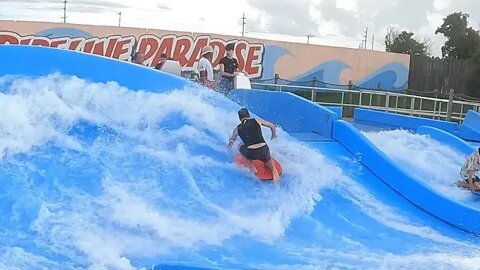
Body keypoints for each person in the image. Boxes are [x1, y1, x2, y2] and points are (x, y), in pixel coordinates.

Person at [228, 108, 280, 183]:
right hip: (264, 150)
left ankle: (252, 166)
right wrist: (273, 135)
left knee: (240, 145)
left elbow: (232, 140)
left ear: (240, 118)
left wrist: (228, 147)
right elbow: (272, 126)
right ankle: (276, 181)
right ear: (249, 115)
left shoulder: (237, 128)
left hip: (251, 153)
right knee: (273, 169)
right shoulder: (256, 120)